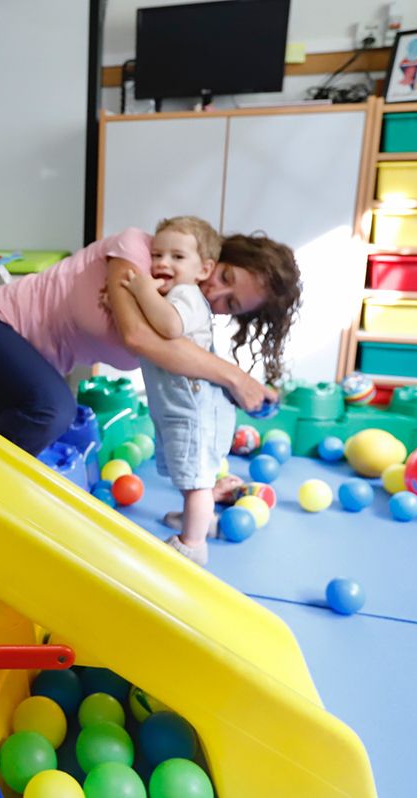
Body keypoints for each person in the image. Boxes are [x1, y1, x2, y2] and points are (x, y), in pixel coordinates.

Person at [0, 222, 301, 496]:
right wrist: (237, 377)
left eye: (231, 304)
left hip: (22, 360)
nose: (215, 292)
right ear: (215, 258)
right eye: (225, 276)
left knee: (6, 451)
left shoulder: (179, 316)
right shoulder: (137, 250)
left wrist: (205, 485)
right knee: (53, 411)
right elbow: (137, 337)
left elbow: (187, 400)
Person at [120, 217, 234, 566]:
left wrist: (140, 290)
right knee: (190, 475)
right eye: (157, 254)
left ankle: (192, 546)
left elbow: (169, 325)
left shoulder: (186, 295)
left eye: (177, 257)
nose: (162, 263)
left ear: (204, 269)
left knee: (196, 480)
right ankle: (199, 520)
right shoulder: (171, 295)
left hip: (193, 412)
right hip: (182, 409)